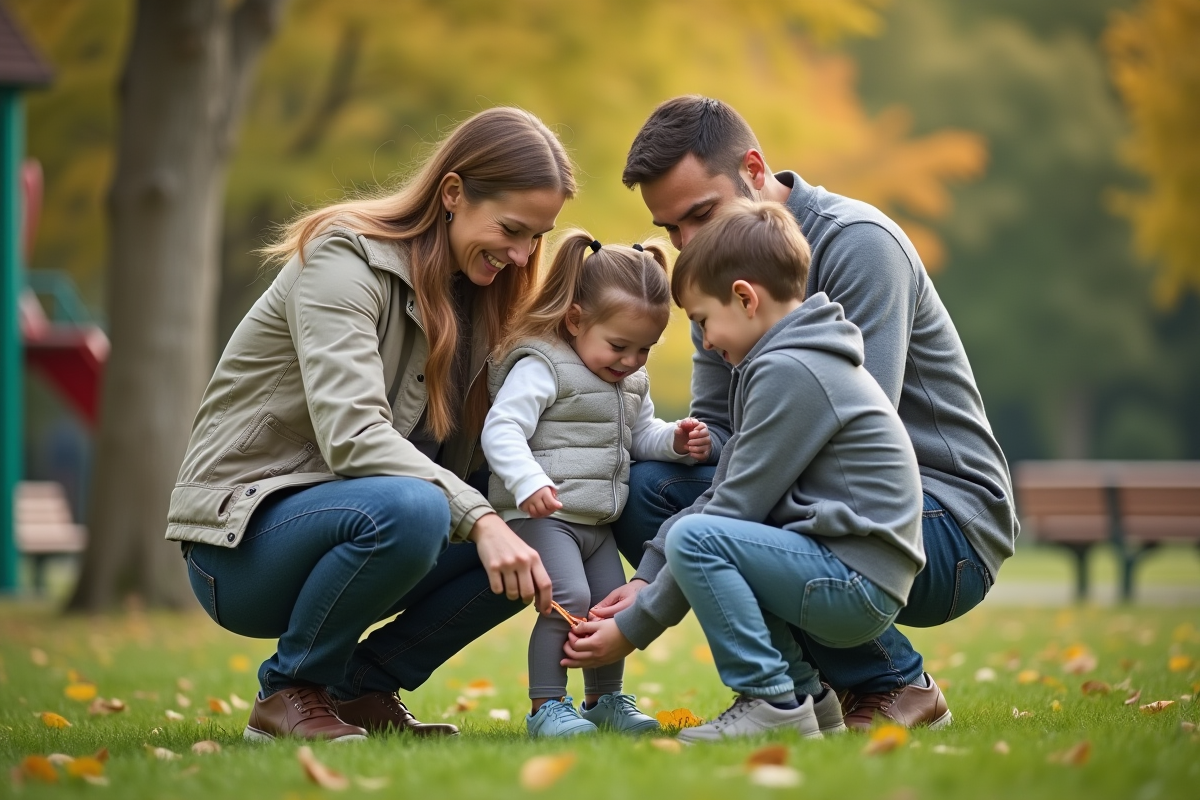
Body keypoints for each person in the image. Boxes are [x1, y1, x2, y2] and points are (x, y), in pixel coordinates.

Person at [572, 95, 1017, 731]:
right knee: (653, 486)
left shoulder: (858, 243)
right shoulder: (721, 279)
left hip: (942, 521)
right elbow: (720, 440)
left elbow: (826, 442)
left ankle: (888, 684)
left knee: (738, 503)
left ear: (754, 170)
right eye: (671, 229)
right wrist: (650, 574)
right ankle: (808, 695)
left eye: (701, 214)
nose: (688, 243)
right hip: (825, 502)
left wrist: (648, 607)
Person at [165, 107, 572, 742]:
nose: (522, 257)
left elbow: (501, 453)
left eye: (536, 238)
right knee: (419, 509)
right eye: (511, 229)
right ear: (453, 193)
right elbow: (352, 434)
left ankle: (361, 687)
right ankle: (288, 692)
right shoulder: (343, 261)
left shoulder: (482, 301)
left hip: (370, 527)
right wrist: (482, 519)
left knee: (538, 541)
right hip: (243, 547)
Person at [482, 232, 711, 738]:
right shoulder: (543, 366)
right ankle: (547, 706)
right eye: (619, 346)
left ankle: (604, 700)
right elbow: (501, 428)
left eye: (645, 350)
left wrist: (674, 440)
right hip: (543, 515)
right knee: (569, 600)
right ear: (576, 320)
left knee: (608, 602)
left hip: (595, 521)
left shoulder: (628, 381)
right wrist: (527, 482)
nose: (630, 360)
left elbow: (640, 435)